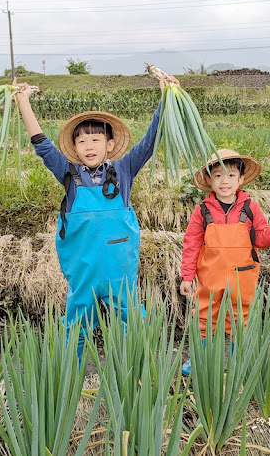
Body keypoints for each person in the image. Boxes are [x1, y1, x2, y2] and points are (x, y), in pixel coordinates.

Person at [13, 74, 179, 358]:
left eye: (95, 139)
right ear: (74, 148)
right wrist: (23, 102)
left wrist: (166, 99)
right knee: (76, 330)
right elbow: (41, 143)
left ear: (110, 144)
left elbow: (151, 141)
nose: (88, 146)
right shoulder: (69, 174)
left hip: (119, 271)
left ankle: (136, 380)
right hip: (84, 271)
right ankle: (69, 386)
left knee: (133, 327)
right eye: (81, 141)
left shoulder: (124, 171)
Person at [179, 149, 270, 376]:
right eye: (218, 175)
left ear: (240, 179)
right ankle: (200, 359)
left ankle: (239, 359)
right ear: (209, 180)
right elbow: (191, 244)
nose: (224, 181)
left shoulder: (250, 208)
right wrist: (187, 276)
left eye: (230, 175)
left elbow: (261, 239)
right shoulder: (202, 211)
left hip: (243, 274)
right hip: (210, 275)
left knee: (241, 316)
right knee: (204, 315)